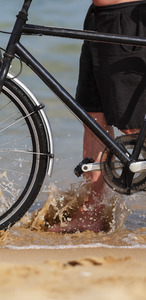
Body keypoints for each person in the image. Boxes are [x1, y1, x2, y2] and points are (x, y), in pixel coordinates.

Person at [49, 0, 145, 233]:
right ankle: (92, 215)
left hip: (126, 19)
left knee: (132, 130)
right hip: (98, 19)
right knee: (93, 120)